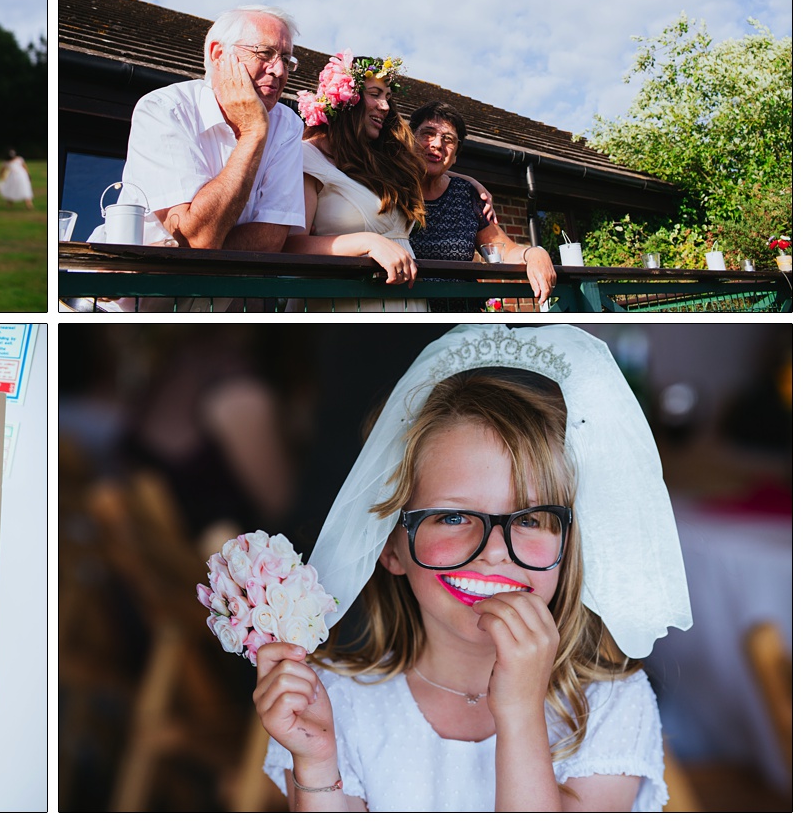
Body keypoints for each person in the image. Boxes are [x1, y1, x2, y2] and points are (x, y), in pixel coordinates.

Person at [254, 324, 690, 811]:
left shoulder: (611, 706)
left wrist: (522, 712)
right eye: (454, 516)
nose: (495, 550)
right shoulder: (337, 702)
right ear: (390, 546)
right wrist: (316, 762)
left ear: (570, 544)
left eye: (530, 518)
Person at [109, 5, 307, 250]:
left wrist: (198, 245)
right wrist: (253, 132)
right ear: (218, 55)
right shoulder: (165, 109)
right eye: (265, 53)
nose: (279, 70)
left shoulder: (286, 124)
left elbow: (271, 241)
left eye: (286, 60)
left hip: (226, 284)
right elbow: (197, 239)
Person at [284, 52, 426, 311]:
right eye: (375, 94)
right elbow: (291, 245)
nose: (385, 106)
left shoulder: (381, 162)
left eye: (388, 97)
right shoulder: (307, 157)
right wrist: (368, 242)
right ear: (345, 99)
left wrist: (470, 181)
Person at [407, 102, 557, 310]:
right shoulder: (393, 189)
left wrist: (534, 253)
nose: (437, 144)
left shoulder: (467, 194)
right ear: (410, 138)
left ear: (456, 155)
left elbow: (502, 250)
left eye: (448, 139)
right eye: (428, 133)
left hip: (463, 316)